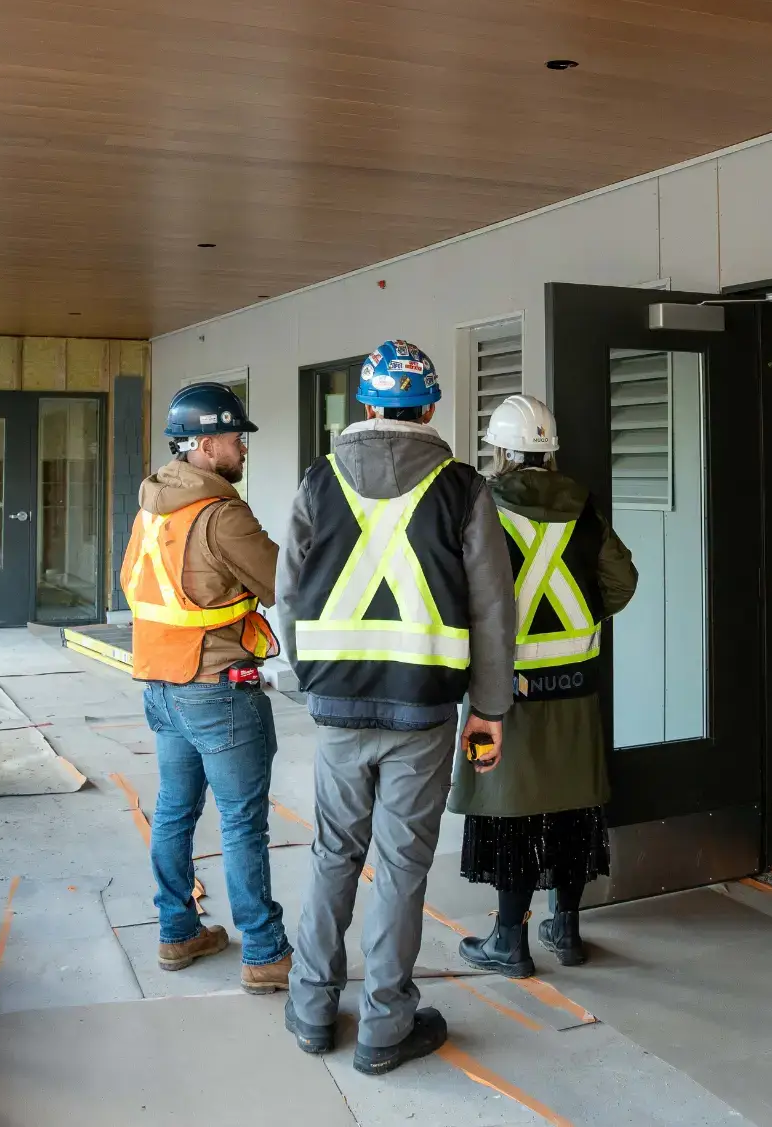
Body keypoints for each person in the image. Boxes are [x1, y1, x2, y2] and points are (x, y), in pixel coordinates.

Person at [276, 339, 516, 1075]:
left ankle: (314, 1007)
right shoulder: (464, 488)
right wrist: (491, 707)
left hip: (339, 709)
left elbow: (287, 596)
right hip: (423, 715)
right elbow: (492, 609)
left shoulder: (318, 481)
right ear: (431, 407)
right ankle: (386, 1023)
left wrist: (305, 679)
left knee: (332, 855)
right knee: (402, 866)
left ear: (368, 405)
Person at [452, 394, 637, 976]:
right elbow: (622, 583)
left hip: (504, 697)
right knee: (571, 807)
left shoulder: (484, 506)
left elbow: (464, 593)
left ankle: (509, 941)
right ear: (550, 452)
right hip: (577, 691)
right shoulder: (584, 508)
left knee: (508, 813)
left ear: (501, 451)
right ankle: (569, 931)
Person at [121, 382, 292, 991]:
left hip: (161, 685)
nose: (243, 445)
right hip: (217, 688)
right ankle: (265, 952)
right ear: (202, 443)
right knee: (243, 822)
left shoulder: (153, 507)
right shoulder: (221, 513)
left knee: (174, 812)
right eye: (234, 436)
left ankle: (177, 932)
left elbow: (131, 582)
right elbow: (282, 580)